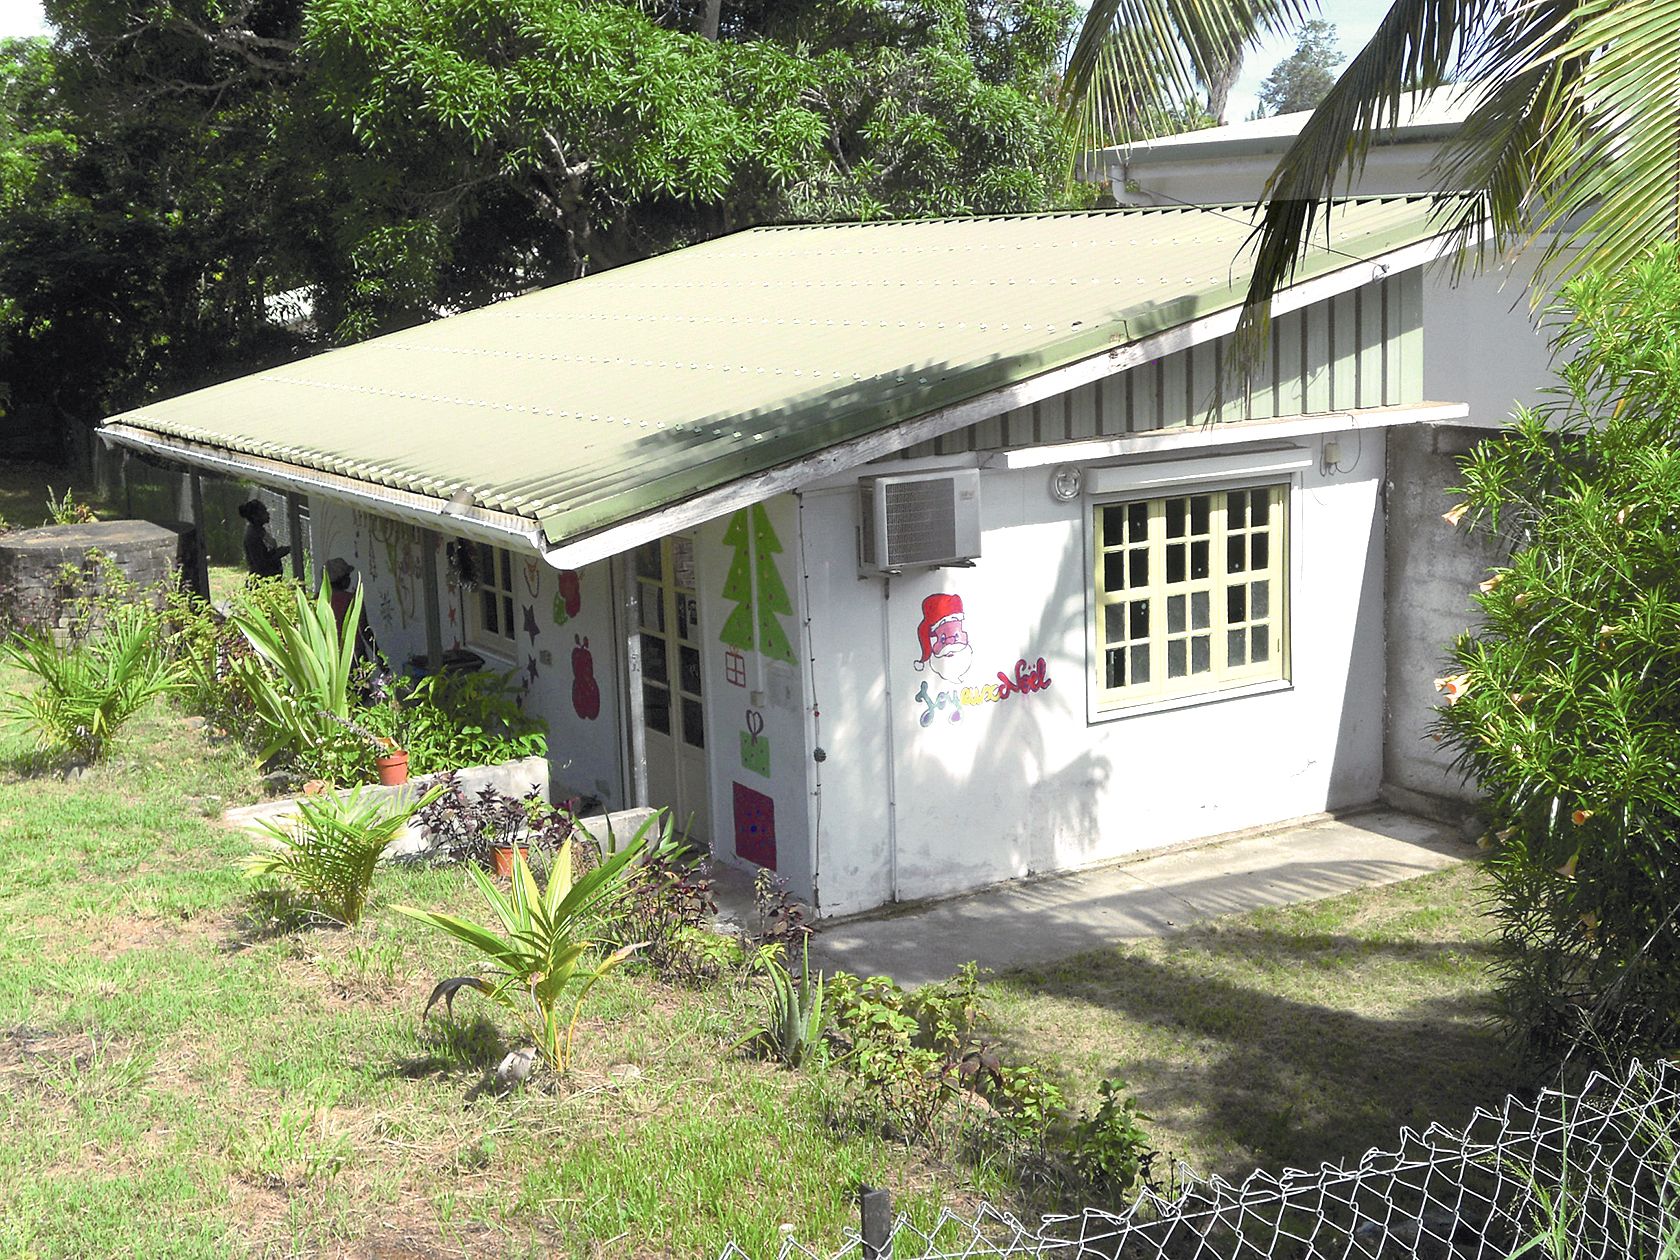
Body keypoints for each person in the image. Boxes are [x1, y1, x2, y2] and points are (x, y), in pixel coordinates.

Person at [238, 499, 289, 578]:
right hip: (261, 580)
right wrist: (279, 554)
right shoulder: (253, 536)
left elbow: (267, 553)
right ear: (255, 516)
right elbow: (260, 564)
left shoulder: (260, 531)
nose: (267, 514)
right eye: (263, 512)